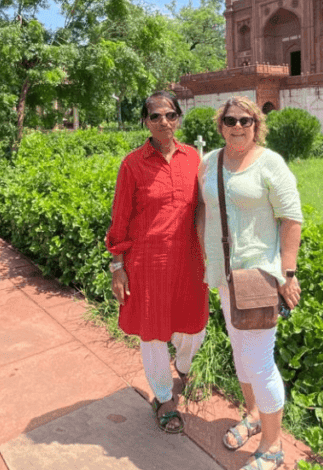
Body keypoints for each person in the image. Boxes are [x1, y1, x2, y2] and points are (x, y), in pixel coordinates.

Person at [198, 96, 303, 470]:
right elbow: (202, 209)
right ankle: (254, 415)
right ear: (221, 124)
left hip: (259, 276)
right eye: (231, 120)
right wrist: (203, 253)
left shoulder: (270, 163)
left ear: (256, 124)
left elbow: (292, 219)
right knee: (240, 351)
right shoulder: (209, 162)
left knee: (259, 362)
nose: (238, 126)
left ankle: (273, 448)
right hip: (225, 277)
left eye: (246, 120)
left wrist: (287, 274)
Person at [105, 91, 209, 434]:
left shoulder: (194, 158)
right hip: (147, 263)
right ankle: (163, 396)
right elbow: (120, 218)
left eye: (170, 115)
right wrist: (117, 267)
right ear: (145, 122)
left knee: (193, 326)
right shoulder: (133, 164)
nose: (163, 121)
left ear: (178, 118)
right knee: (152, 334)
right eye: (155, 116)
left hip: (189, 260)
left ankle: (183, 364)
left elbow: (205, 207)